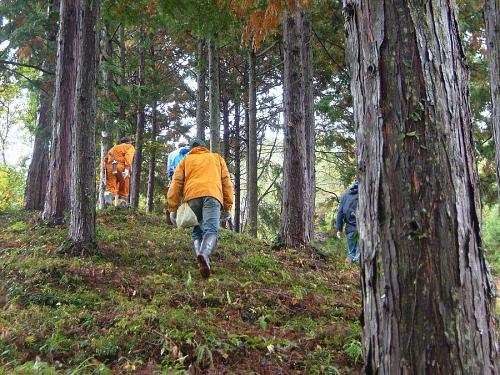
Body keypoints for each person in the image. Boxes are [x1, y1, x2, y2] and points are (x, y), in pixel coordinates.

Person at [167, 138, 234, 278]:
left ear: (191, 149)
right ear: (205, 148)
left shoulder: (185, 161)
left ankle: (200, 258)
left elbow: (176, 183)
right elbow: (226, 182)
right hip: (212, 196)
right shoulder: (216, 158)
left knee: (197, 230)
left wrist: (173, 208)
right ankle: (204, 255)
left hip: (192, 198)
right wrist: (227, 206)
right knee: (211, 229)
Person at [104, 137, 135, 207]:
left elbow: (105, 159)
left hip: (110, 167)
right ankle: (121, 203)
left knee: (110, 186)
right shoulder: (130, 147)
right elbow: (129, 156)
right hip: (120, 166)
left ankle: (108, 202)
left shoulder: (113, 148)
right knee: (124, 185)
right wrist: (127, 169)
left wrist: (104, 173)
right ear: (129, 142)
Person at [336, 180, 359, 264]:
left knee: (352, 253)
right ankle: (357, 274)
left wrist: (339, 229)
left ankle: (349, 272)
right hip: (362, 229)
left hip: (350, 229)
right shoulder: (365, 193)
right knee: (360, 255)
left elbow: (340, 213)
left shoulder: (345, 196)